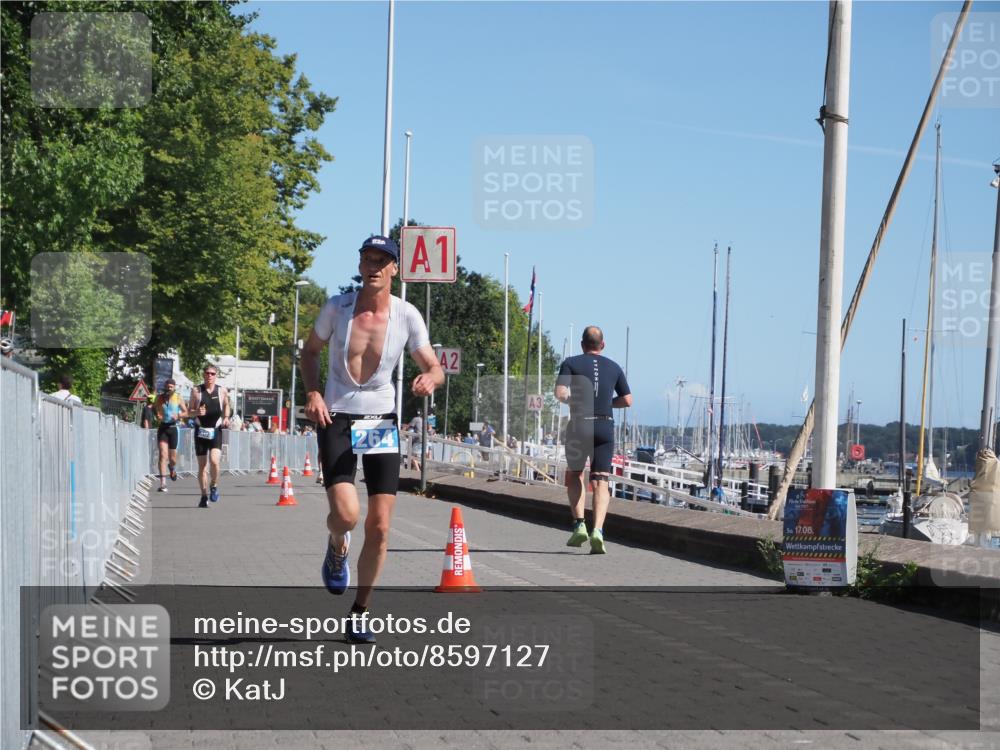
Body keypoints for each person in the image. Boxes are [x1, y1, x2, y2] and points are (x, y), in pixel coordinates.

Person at [301, 234, 443, 644]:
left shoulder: (407, 315)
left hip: (381, 419)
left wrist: (430, 377)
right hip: (338, 415)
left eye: (383, 261)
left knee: (380, 527)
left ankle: (360, 611)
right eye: (368, 259)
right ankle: (336, 542)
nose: (374, 267)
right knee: (347, 516)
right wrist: (312, 393)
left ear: (395, 269)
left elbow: (433, 365)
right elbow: (309, 352)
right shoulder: (337, 308)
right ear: (359, 264)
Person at [554, 325, 632, 554]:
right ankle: (598, 530)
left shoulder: (571, 362)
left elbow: (560, 393)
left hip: (580, 423)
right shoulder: (615, 367)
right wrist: (608, 403)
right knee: (601, 481)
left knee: (576, 474)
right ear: (603, 345)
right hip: (605, 425)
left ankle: (580, 525)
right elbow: (627, 400)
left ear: (582, 345)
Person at [188, 365, 230, 508]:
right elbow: (189, 412)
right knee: (202, 466)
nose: (210, 376)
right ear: (203, 374)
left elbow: (226, 405)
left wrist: (226, 417)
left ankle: (214, 485)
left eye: (213, 373)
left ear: (216, 375)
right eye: (207, 373)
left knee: (214, 461)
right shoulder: (196, 391)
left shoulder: (222, 390)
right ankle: (203, 495)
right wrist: (197, 412)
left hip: (215, 430)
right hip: (201, 431)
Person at [154, 378, 187, 493]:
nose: (169, 389)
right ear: (165, 387)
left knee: (172, 459)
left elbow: (186, 412)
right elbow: (155, 409)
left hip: (173, 428)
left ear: (174, 387)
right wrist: (157, 415)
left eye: (171, 387)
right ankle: (163, 483)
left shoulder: (178, 397)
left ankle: (172, 467)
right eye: (167, 387)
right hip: (163, 428)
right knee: (163, 455)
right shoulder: (159, 398)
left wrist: (178, 415)